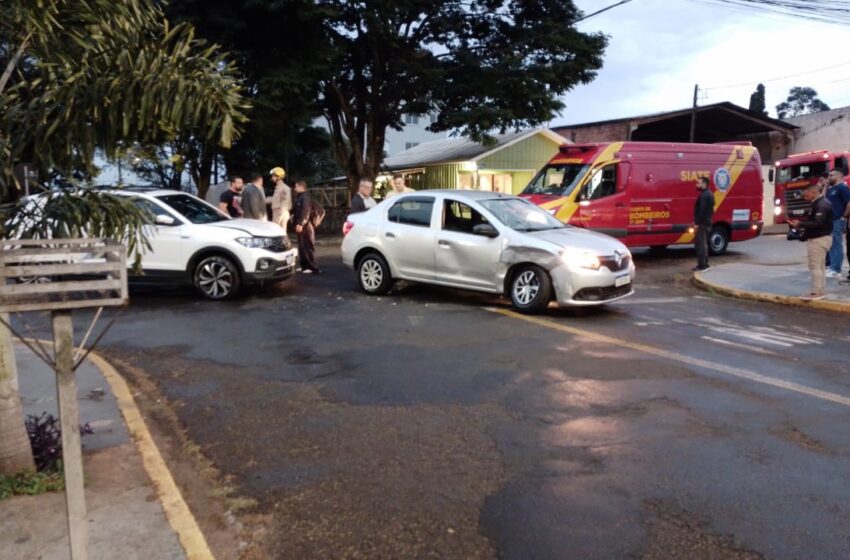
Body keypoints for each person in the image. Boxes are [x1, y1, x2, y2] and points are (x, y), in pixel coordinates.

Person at [789, 183, 833, 300]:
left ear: (814, 192)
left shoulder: (821, 205)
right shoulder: (820, 203)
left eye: (806, 195)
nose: (804, 197)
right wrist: (801, 228)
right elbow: (816, 222)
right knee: (820, 266)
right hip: (821, 238)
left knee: (815, 266)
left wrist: (800, 223)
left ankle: (816, 292)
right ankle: (820, 290)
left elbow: (818, 223)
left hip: (818, 239)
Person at [824, 167, 850, 278]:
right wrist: (825, 186)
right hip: (830, 220)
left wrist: (844, 216)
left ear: (839, 176)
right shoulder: (831, 189)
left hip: (838, 219)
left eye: (831, 175)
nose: (829, 177)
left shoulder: (842, 188)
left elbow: (849, 202)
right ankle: (831, 266)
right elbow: (823, 199)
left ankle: (836, 269)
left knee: (836, 244)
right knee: (831, 244)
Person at [293, 180, 320, 274]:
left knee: (307, 246)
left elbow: (305, 211)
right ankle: (304, 266)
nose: (295, 188)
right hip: (303, 225)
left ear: (301, 187)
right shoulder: (300, 197)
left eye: (296, 186)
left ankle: (312, 267)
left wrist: (301, 223)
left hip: (306, 226)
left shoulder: (306, 197)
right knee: (301, 246)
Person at [692, 176, 714, 272]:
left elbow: (701, 210)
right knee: (704, 244)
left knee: (700, 244)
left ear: (704, 184)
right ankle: (705, 263)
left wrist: (697, 222)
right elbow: (712, 210)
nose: (697, 185)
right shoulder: (710, 194)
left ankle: (702, 265)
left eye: (699, 183)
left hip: (702, 224)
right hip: (708, 222)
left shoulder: (704, 195)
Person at [270, 166, 292, 231]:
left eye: (273, 176)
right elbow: (274, 199)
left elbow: (284, 204)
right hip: (277, 212)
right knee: (280, 235)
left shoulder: (284, 188)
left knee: (281, 234)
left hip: (281, 213)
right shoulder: (278, 187)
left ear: (279, 177)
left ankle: (286, 242)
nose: (272, 178)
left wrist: (278, 218)